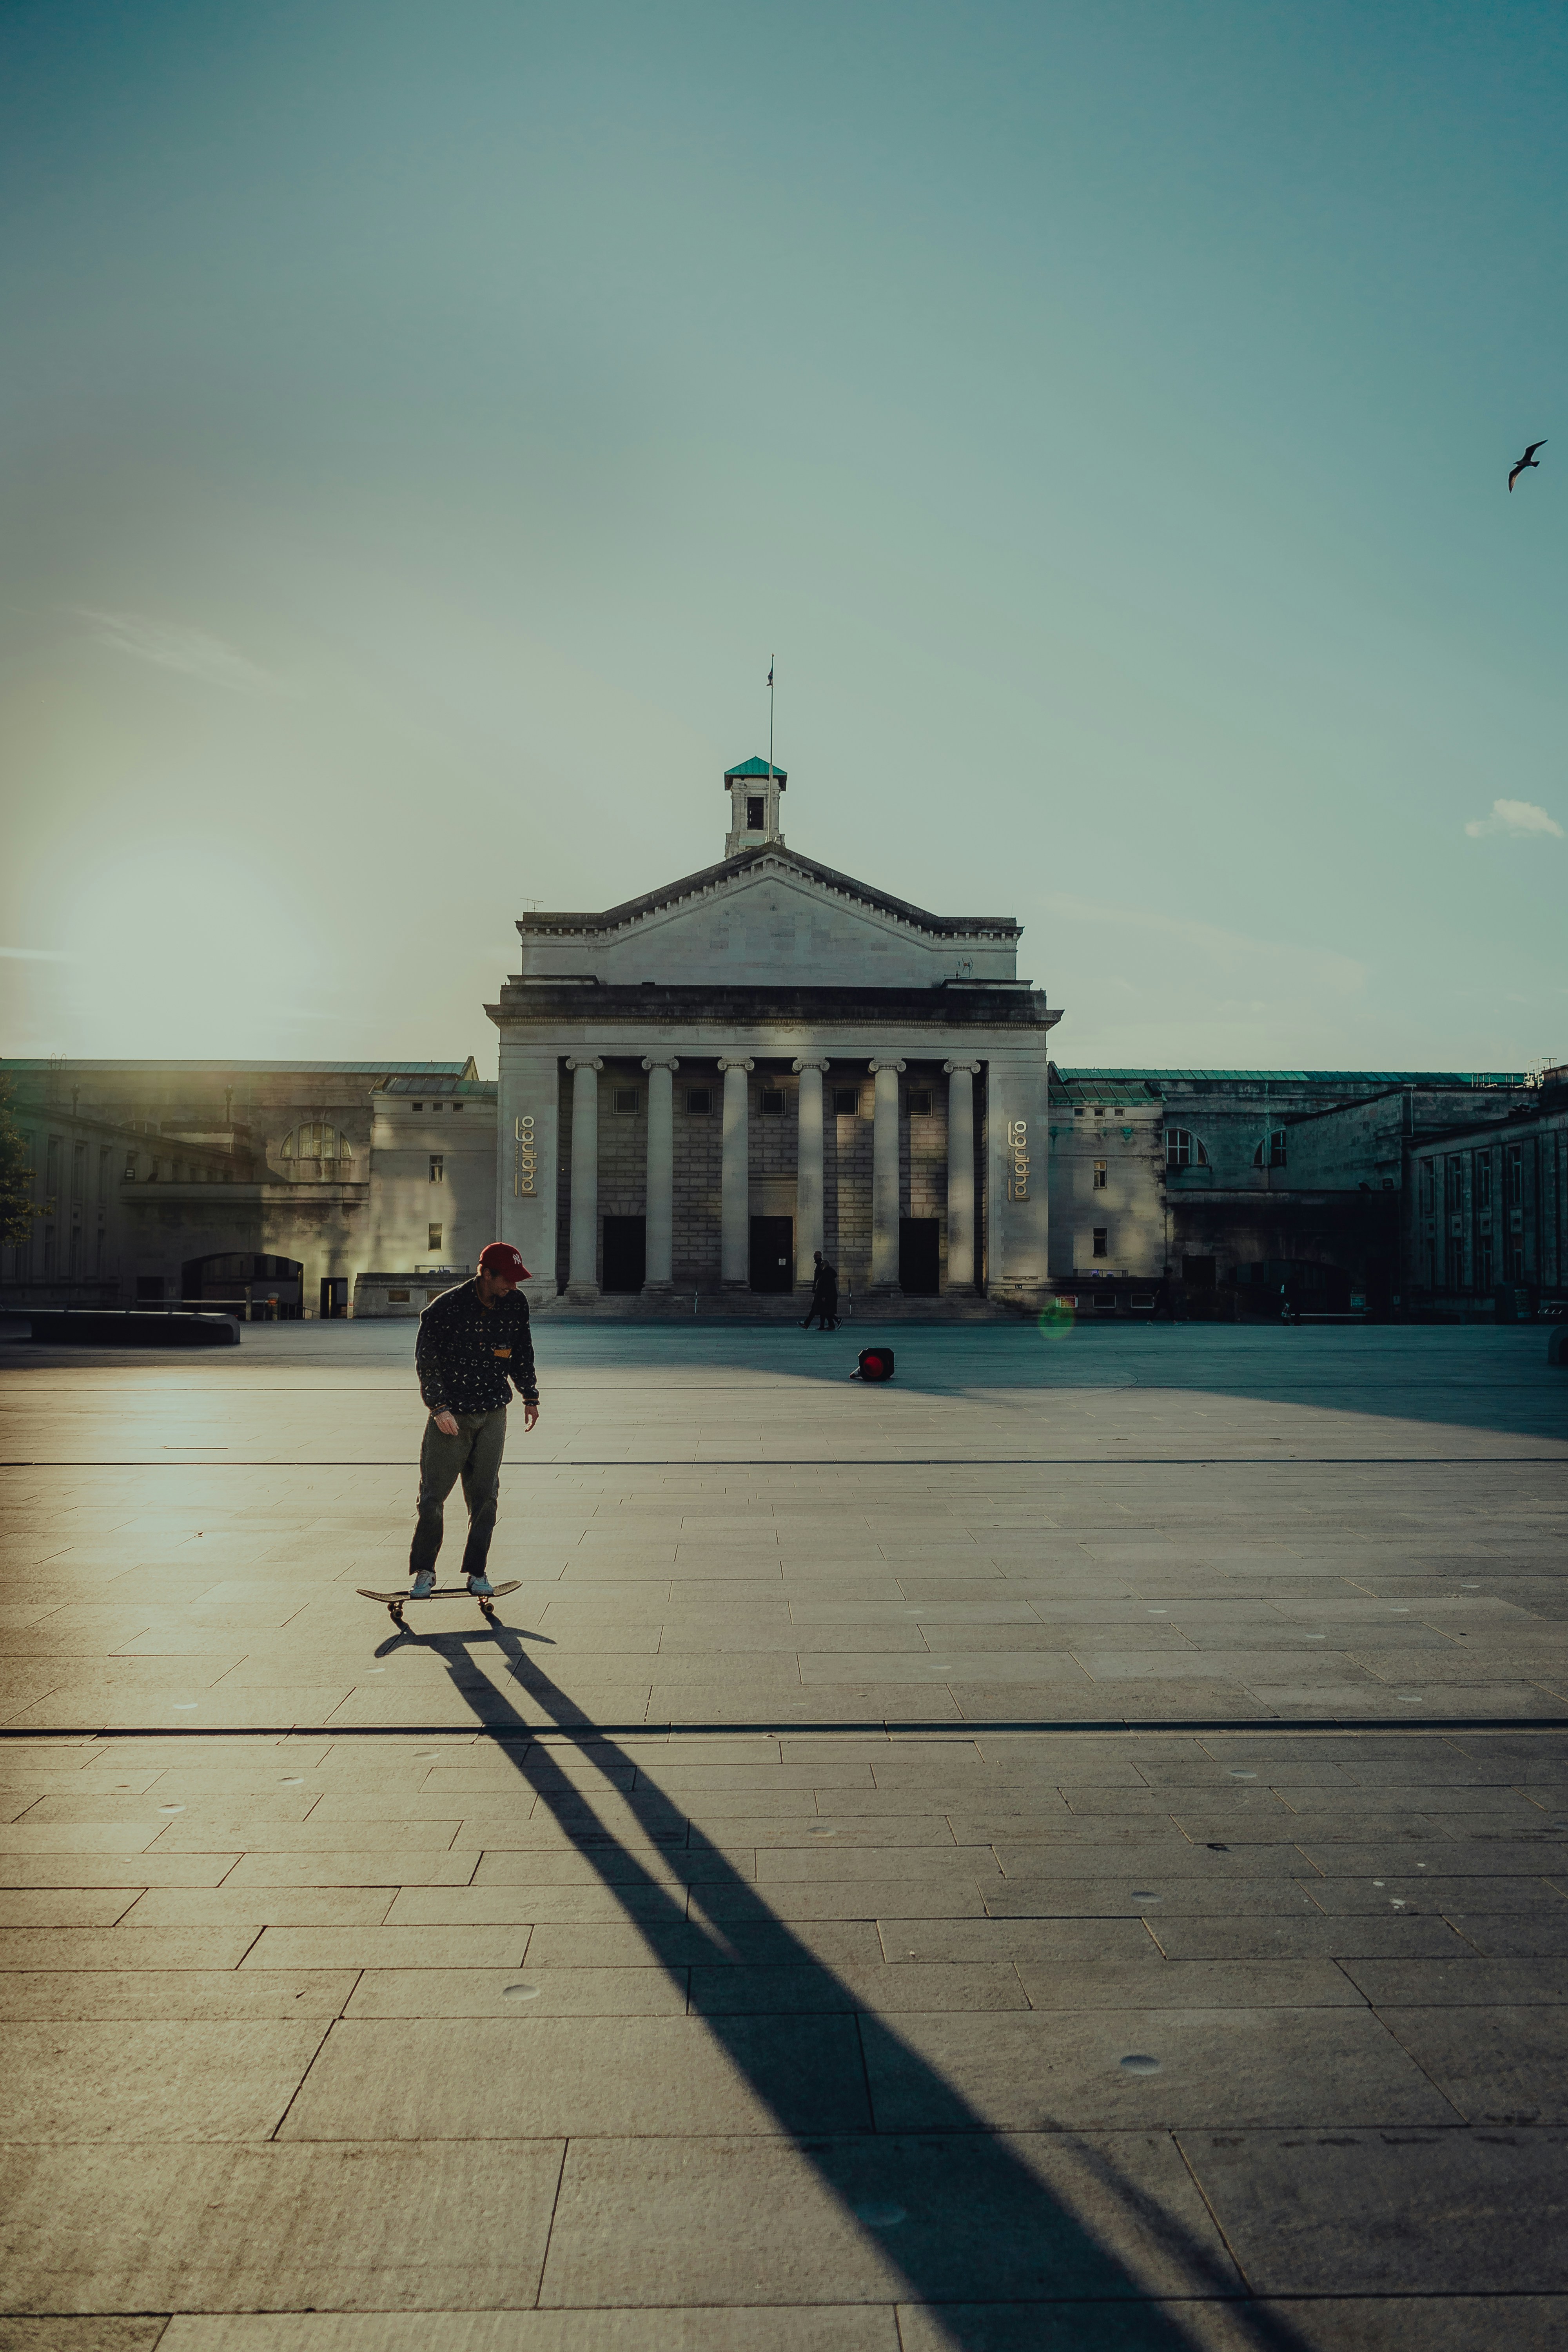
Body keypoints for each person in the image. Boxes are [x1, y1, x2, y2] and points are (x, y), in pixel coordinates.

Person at [409, 1240, 540, 1598]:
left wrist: (529, 1394)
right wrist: (438, 1408)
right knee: (433, 1497)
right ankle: (424, 1570)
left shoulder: (515, 1304)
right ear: (485, 1273)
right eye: (507, 1279)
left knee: (486, 1497)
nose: (512, 1286)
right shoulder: (445, 1309)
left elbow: (521, 1349)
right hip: (451, 1416)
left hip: (494, 1413)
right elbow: (428, 1362)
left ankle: (477, 1571)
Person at [800, 1249, 839, 1332]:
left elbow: (825, 1285)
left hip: (822, 1293)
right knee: (821, 1310)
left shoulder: (825, 1272)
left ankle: (836, 1320)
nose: (814, 1258)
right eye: (814, 1256)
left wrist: (823, 1295)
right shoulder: (825, 1270)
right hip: (820, 1292)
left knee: (818, 1309)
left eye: (816, 1256)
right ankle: (829, 1325)